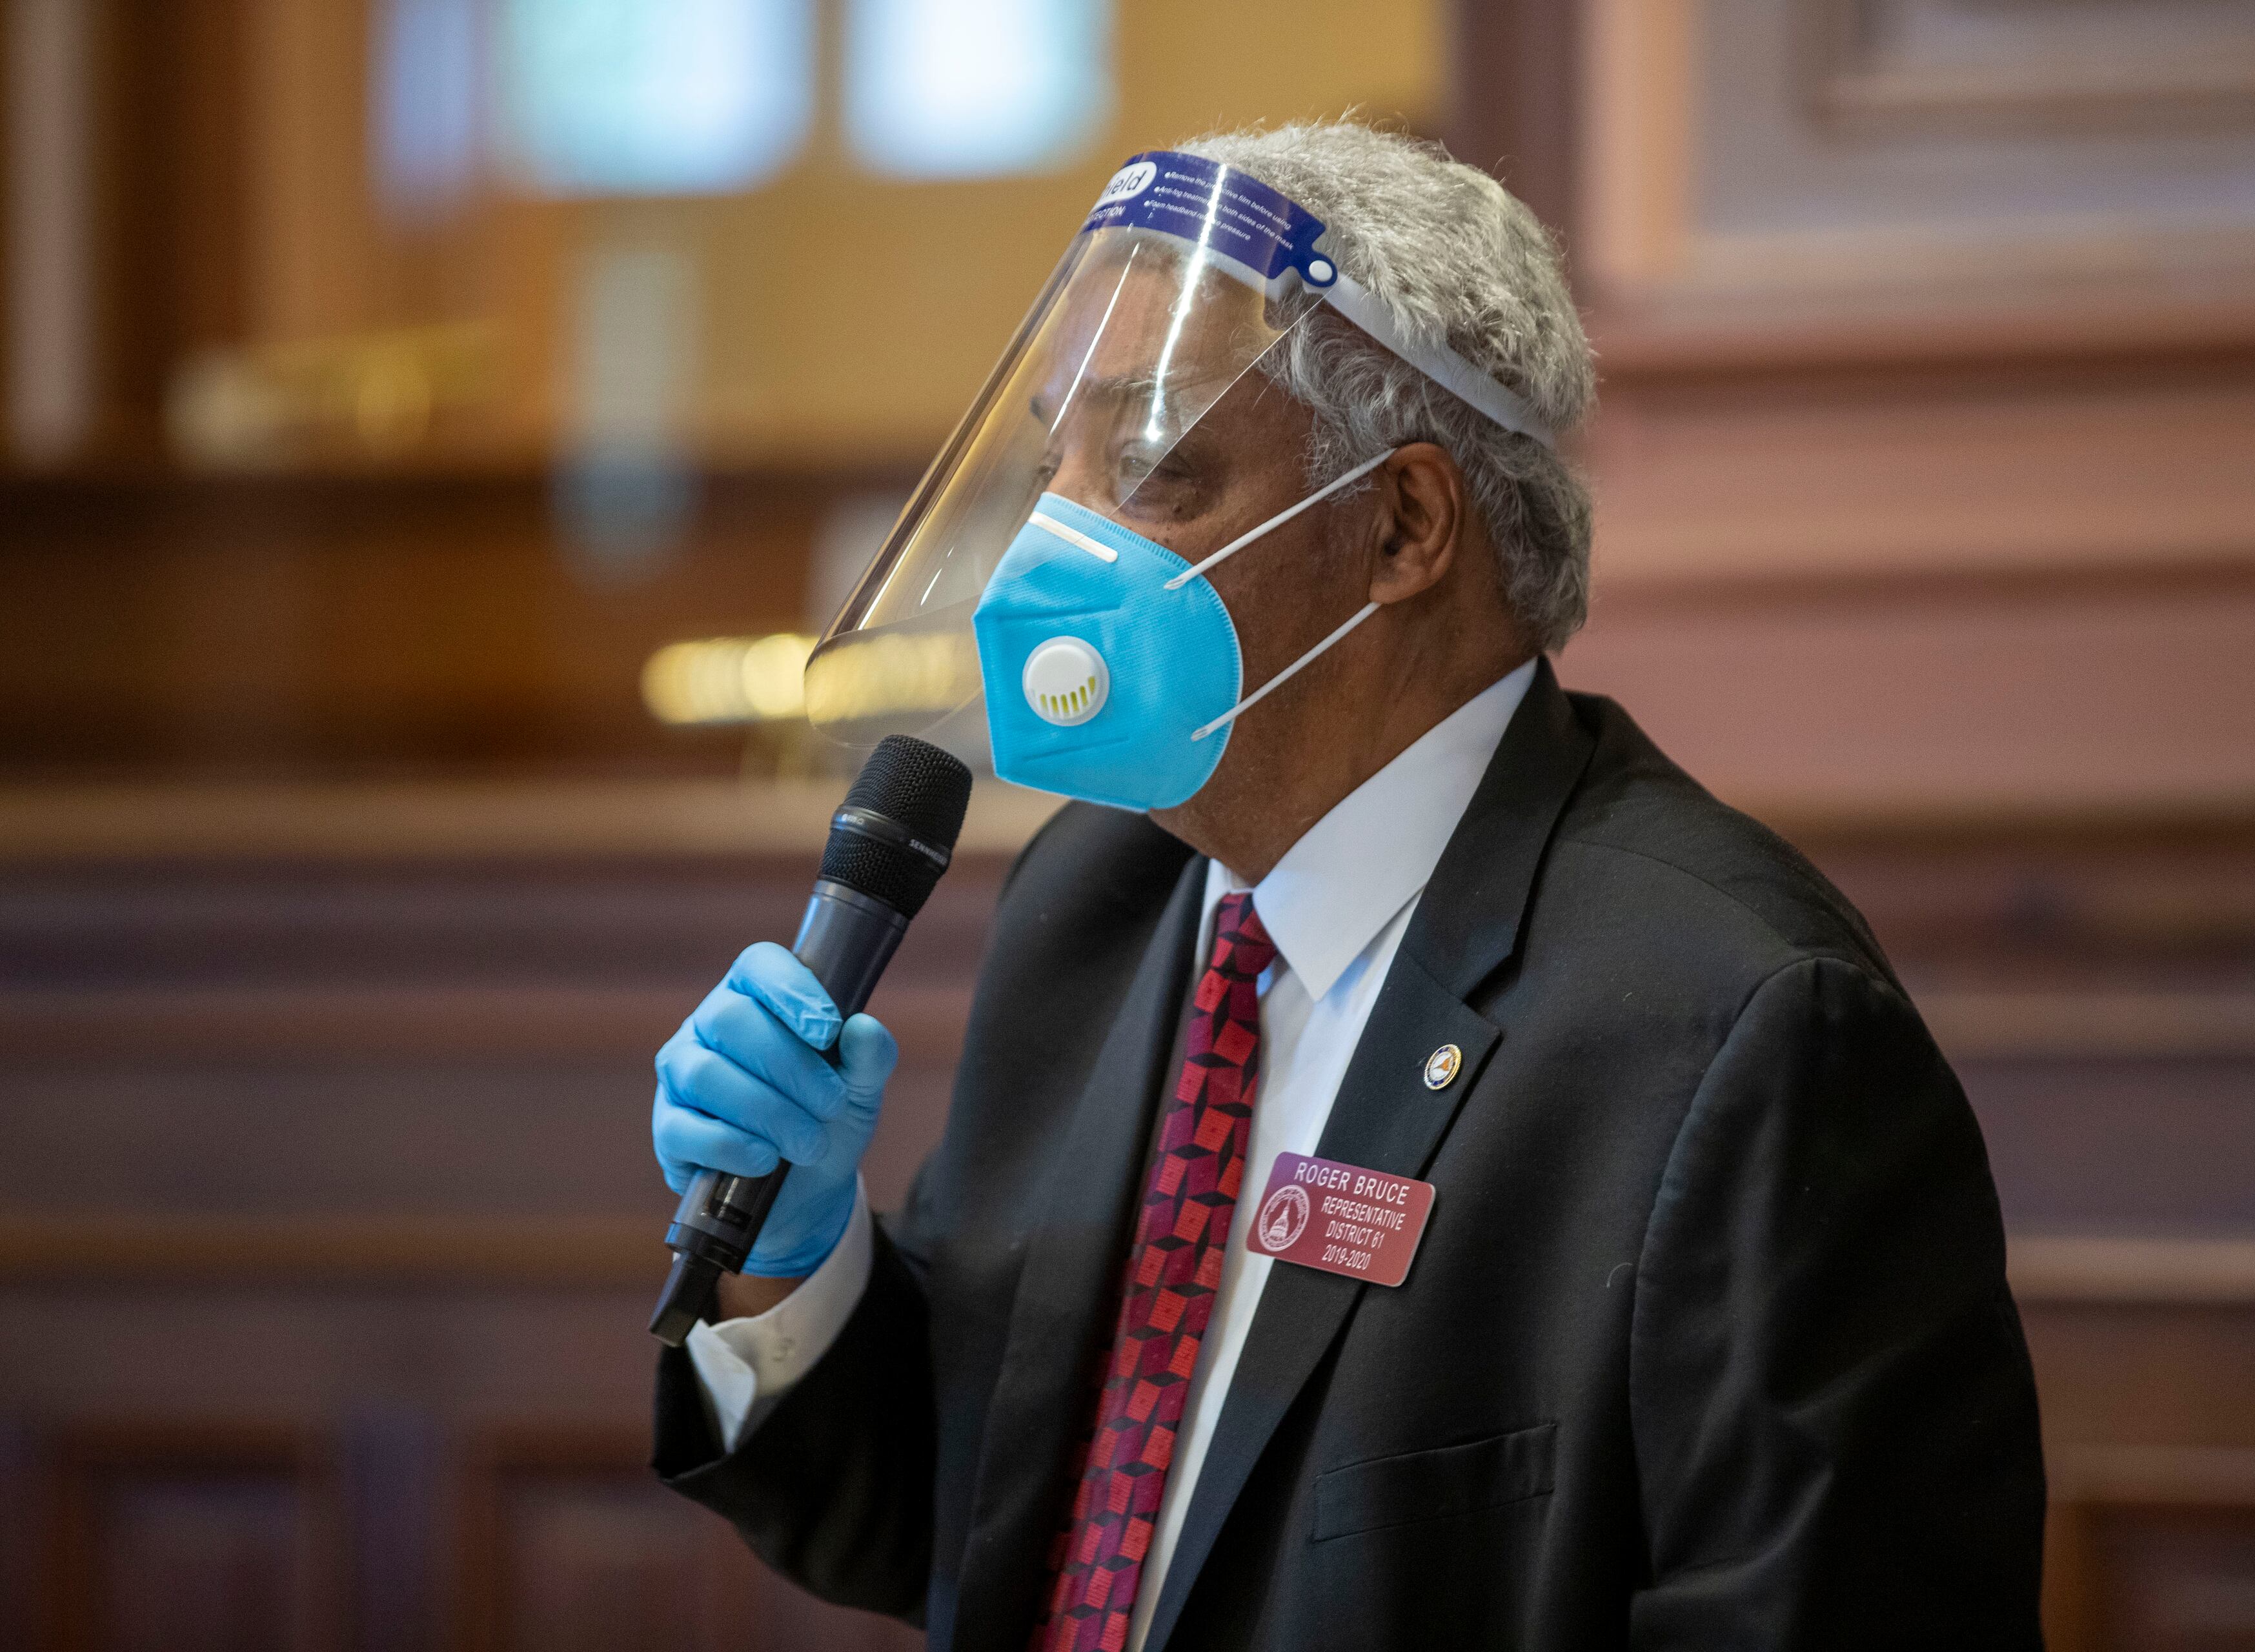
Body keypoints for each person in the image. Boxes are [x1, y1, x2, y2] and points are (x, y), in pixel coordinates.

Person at [648, 123, 2046, 1651]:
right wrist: (794, 1257)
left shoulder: (1746, 1028)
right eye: (1058, 461)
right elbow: (973, 1519)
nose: (1052, 546)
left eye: (1157, 466)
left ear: (1404, 525)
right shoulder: (1094, 905)